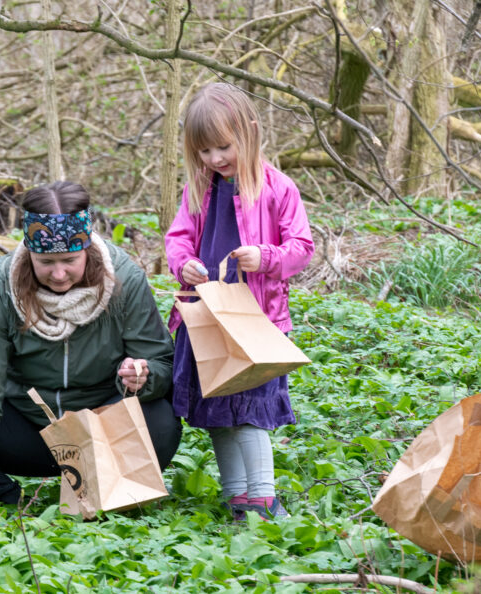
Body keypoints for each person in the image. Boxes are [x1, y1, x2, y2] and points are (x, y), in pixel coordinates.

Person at [0, 181, 182, 512]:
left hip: (103, 431)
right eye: (46, 262)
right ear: (29, 252)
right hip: (30, 431)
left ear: (86, 250)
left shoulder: (124, 279)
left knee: (160, 416)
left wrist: (142, 378)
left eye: (70, 260)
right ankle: (0, 497)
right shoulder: (5, 284)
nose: (59, 274)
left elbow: (162, 362)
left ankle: (106, 488)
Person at [164, 82, 315, 520]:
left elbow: (302, 247)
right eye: (204, 151)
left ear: (249, 132)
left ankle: (264, 497)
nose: (215, 159)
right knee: (216, 412)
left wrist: (265, 257)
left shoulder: (277, 187)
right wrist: (185, 264)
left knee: (251, 411)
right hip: (206, 317)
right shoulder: (199, 189)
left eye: (223, 147)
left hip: (256, 320)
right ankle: (238, 498)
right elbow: (178, 241)